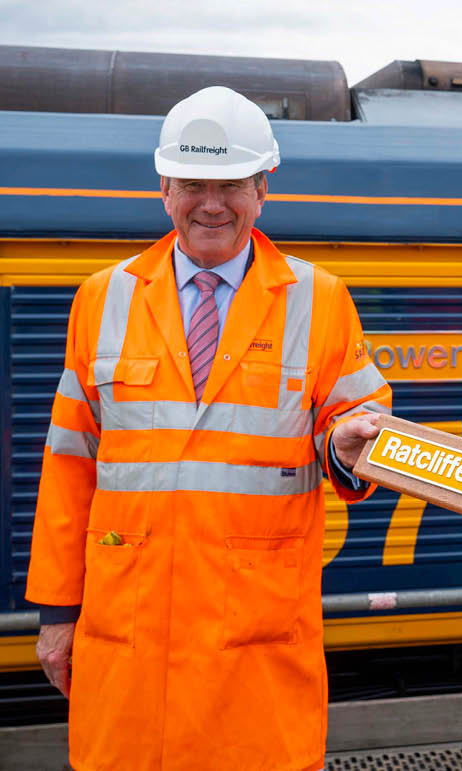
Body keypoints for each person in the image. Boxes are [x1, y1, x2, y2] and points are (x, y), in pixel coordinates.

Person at [26, 86, 391, 771]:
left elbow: (356, 428)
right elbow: (68, 464)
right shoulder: (103, 297)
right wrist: (55, 613)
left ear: (263, 187)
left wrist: (343, 446)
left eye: (231, 184)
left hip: (251, 643)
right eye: (193, 183)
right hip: (126, 636)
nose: (212, 203)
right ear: (164, 187)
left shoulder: (321, 301)